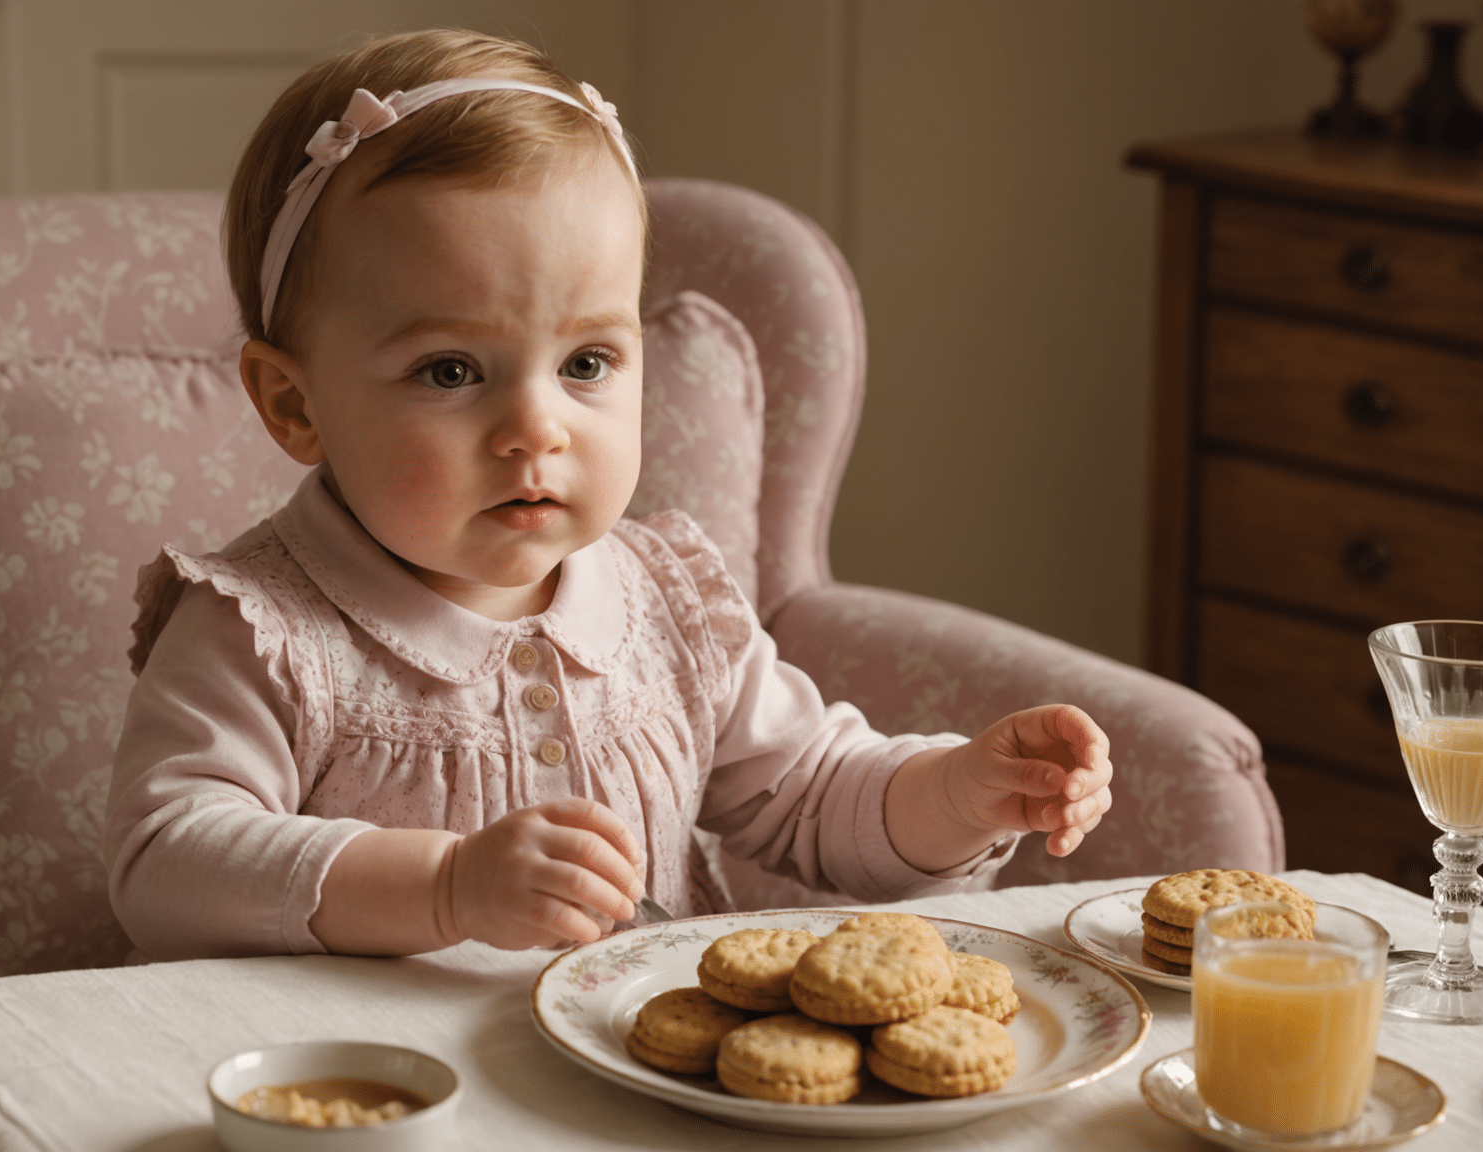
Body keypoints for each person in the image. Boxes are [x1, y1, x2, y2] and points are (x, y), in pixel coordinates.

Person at [104, 28, 1112, 961]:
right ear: (295, 402)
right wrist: (446, 887)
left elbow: (812, 798)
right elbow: (167, 862)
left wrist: (963, 791)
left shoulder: (665, 606)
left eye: (586, 362)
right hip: (372, 1098)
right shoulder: (260, 630)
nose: (536, 428)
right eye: (451, 371)